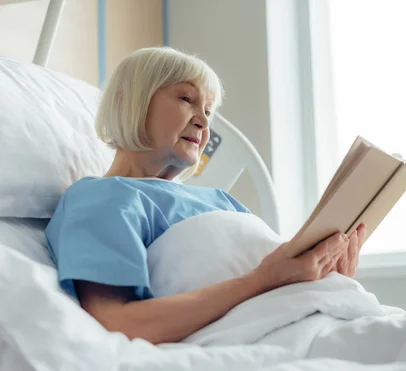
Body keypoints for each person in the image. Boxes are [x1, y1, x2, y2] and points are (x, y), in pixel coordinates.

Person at [45, 47, 367, 346]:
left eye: (209, 112)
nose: (203, 120)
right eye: (186, 98)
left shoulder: (222, 201)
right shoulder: (100, 198)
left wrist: (327, 275)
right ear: (128, 102)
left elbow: (278, 279)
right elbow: (121, 323)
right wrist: (264, 279)